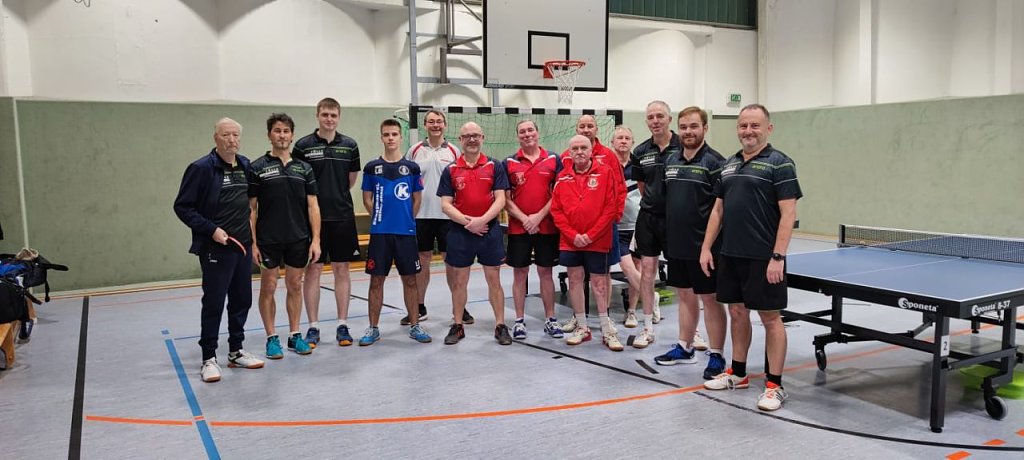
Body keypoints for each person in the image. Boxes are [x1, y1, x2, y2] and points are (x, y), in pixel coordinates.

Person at [700, 104, 802, 412]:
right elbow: (718, 210)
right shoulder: (729, 165)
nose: (748, 131)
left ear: (768, 128)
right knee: (737, 313)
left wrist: (778, 256)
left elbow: (789, 213)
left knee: (770, 318)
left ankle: (774, 385)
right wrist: (706, 247)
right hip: (731, 254)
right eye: (743, 125)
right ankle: (738, 373)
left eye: (755, 125)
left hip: (764, 257)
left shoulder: (780, 164)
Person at [174, 118, 265, 383]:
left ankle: (236, 351)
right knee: (214, 303)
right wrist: (211, 229)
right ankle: (208, 358)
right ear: (216, 138)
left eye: (235, 135)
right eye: (226, 135)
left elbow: (250, 205)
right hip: (216, 248)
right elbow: (183, 207)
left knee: (242, 301)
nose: (231, 140)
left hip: (242, 248)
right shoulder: (201, 168)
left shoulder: (245, 165)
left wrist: (253, 241)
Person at [653, 107, 729, 381]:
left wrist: (707, 247)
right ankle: (685, 347)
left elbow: (721, 210)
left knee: (710, 299)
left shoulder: (715, 163)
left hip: (705, 248)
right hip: (677, 244)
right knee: (684, 296)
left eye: (694, 126)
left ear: (705, 128)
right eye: (684, 127)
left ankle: (717, 354)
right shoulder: (671, 161)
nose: (688, 132)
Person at [248, 113, 322, 359]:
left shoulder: (304, 168)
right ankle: (271, 338)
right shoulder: (257, 167)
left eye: (286, 131)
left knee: (295, 285)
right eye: (277, 130)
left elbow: (313, 206)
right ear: (269, 135)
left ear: (292, 135)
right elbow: (251, 209)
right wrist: (253, 243)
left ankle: (294, 335)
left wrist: (316, 240)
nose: (282, 135)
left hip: (298, 237)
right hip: (268, 239)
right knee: (268, 286)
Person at [293, 98, 361, 347]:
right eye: (325, 115)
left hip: (342, 217)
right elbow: (299, 180)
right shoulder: (303, 146)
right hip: (312, 219)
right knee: (313, 270)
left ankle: (342, 324)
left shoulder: (350, 146)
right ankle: (313, 327)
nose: (329, 119)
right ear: (317, 115)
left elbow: (350, 181)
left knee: (342, 269)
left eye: (333, 115)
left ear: (339, 117)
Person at [437, 122, 512, 345]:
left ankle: (500, 325)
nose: (472, 139)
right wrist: (468, 223)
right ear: (460, 140)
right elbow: (445, 205)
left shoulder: (494, 166)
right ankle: (458, 325)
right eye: (467, 136)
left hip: (489, 231)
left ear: (482, 138)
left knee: (494, 279)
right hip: (461, 232)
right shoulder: (450, 169)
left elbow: (501, 199)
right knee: (459, 280)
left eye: (476, 135)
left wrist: (481, 221)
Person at [358, 119, 431, 345]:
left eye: (394, 134)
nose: (390, 138)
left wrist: (407, 219)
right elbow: (367, 198)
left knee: (410, 280)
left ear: (400, 137)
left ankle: (415, 325)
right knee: (376, 281)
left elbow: (417, 198)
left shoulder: (412, 168)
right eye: (386, 134)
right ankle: (373, 328)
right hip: (380, 234)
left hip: (405, 234)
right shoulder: (371, 167)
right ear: (381, 137)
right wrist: (379, 217)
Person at [551, 135, 622, 350]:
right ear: (569, 153)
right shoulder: (562, 176)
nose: (580, 152)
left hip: (598, 239)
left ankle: (607, 330)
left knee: (599, 283)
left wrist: (591, 235)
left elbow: (611, 207)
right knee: (575, 280)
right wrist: (573, 235)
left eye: (584, 148)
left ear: (591, 151)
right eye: (575, 148)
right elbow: (556, 210)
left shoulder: (606, 172)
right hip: (570, 241)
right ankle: (582, 327)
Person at [405, 110, 474, 325]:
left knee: (451, 262)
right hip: (421, 215)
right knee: (422, 261)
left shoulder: (454, 151)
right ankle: (419, 306)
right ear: (425, 125)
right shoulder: (415, 150)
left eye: (439, 121)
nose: (436, 125)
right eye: (431, 122)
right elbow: (406, 182)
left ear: (445, 125)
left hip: (448, 216)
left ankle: (459, 307)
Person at [503, 119, 562, 340]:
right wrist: (525, 219)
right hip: (519, 229)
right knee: (520, 274)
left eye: (530, 130)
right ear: (518, 136)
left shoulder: (554, 159)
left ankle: (551, 319)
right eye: (522, 131)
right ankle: (519, 321)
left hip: (547, 227)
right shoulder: (509, 162)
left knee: (546, 273)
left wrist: (538, 217)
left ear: (537, 133)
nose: (527, 134)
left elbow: (558, 194)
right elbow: (505, 199)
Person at [629, 101, 677, 348]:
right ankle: (647, 327)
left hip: (677, 222)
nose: (655, 121)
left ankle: (691, 332)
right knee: (647, 273)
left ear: (669, 119)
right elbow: (642, 187)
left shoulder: (684, 147)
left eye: (660, 116)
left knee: (684, 278)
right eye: (650, 117)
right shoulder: (640, 152)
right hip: (648, 220)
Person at [610, 126, 642, 329]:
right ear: (612, 142)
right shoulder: (606, 164)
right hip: (616, 226)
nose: (623, 141)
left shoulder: (639, 165)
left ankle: (632, 311)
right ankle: (651, 297)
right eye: (619, 138)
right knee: (627, 267)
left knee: (637, 267)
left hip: (637, 225)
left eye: (627, 138)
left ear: (632, 142)